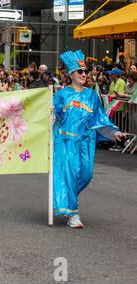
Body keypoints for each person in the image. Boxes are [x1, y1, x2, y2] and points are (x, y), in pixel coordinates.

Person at [53, 50, 125, 228]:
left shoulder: (91, 95)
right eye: (80, 71)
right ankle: (73, 213)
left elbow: (99, 119)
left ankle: (65, 198)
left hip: (85, 141)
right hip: (65, 141)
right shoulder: (61, 95)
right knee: (69, 175)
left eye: (85, 71)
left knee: (86, 175)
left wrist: (114, 133)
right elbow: (52, 117)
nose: (85, 74)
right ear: (71, 74)